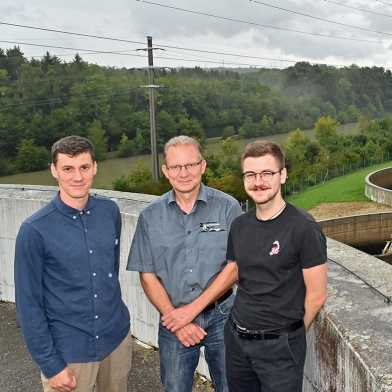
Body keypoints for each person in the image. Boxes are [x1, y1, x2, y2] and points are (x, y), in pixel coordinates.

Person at [14, 135, 131, 392]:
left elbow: (109, 270)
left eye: (84, 167)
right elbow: (28, 305)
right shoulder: (34, 230)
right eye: (68, 168)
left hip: (116, 342)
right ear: (54, 170)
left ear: (95, 167)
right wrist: (50, 365)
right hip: (70, 353)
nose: (78, 177)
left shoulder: (109, 211)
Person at [127, 135, 242, 392]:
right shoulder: (150, 216)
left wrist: (191, 312)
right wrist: (176, 319)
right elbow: (147, 274)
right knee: (175, 387)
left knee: (232, 386)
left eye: (190, 165)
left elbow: (235, 267)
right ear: (166, 172)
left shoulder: (228, 208)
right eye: (176, 167)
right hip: (173, 320)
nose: (184, 173)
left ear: (202, 166)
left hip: (223, 317)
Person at [224, 140, 328, 392]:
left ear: (283, 175)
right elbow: (238, 273)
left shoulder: (304, 227)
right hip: (237, 341)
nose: (258, 181)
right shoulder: (239, 225)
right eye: (251, 174)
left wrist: (287, 336)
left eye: (267, 173)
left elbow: (317, 294)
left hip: (280, 349)